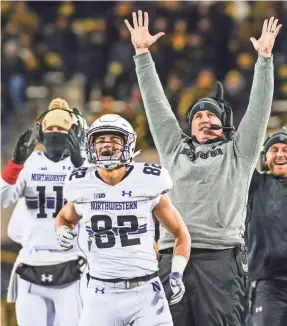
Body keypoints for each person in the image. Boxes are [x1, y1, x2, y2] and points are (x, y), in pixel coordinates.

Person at [125, 11, 281, 326]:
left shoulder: (240, 151)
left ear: (224, 125)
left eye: (211, 115)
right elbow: (156, 107)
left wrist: (264, 60)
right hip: (171, 259)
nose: (204, 119)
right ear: (190, 126)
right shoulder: (173, 148)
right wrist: (142, 55)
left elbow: (260, 108)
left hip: (220, 260)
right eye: (197, 115)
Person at [55, 113, 191, 326]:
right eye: (100, 140)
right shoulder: (82, 183)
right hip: (101, 293)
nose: (106, 145)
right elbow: (64, 217)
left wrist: (177, 272)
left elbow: (181, 234)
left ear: (128, 144)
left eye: (114, 140)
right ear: (91, 146)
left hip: (147, 293)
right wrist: (61, 230)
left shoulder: (148, 179)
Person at [1, 98, 87, 326]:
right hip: (32, 259)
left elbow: (98, 202)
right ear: (41, 132)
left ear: (74, 133)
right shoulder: (30, 163)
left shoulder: (85, 165)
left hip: (72, 261)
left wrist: (82, 166)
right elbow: (2, 198)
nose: (56, 133)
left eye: (62, 129)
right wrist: (15, 164)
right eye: (51, 128)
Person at [246, 128, 287, 326]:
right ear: (264, 157)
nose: (280, 154)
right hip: (268, 284)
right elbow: (241, 158)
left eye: (286, 149)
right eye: (275, 149)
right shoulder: (255, 185)